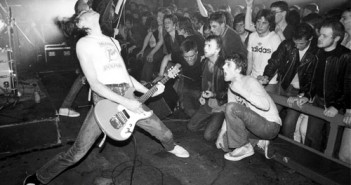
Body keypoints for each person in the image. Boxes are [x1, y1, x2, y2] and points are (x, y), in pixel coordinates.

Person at [23, 9, 189, 185]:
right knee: (77, 152)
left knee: (166, 133)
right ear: (81, 24)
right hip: (106, 98)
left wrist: (150, 91)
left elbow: (127, 77)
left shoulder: (114, 42)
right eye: (84, 12)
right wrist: (126, 102)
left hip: (128, 93)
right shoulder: (84, 43)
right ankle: (38, 177)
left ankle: (170, 147)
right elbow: (94, 84)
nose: (89, 8)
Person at [216, 53, 281, 161]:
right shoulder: (232, 87)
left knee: (232, 107)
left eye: (228, 64)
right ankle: (258, 141)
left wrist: (242, 91)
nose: (223, 67)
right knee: (224, 144)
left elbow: (265, 106)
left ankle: (245, 146)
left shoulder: (250, 81)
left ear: (238, 69)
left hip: (270, 126)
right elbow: (229, 114)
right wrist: (221, 134)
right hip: (253, 126)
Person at [258, 23, 318, 139]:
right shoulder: (287, 45)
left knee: (288, 125)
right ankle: (264, 143)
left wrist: (303, 95)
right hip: (283, 86)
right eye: (295, 42)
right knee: (268, 116)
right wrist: (266, 75)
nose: (297, 46)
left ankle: (288, 153)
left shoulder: (316, 53)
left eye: (301, 43)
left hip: (299, 92)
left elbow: (314, 78)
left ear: (310, 39)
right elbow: (274, 61)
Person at [303, 20, 351, 152]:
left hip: (337, 105)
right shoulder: (317, 52)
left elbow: (348, 85)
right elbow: (310, 76)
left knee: (332, 143)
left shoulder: (346, 56)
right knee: (312, 138)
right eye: (320, 34)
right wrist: (306, 95)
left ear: (336, 38)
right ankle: (308, 168)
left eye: (325, 36)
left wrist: (338, 106)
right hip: (318, 100)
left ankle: (325, 171)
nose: (320, 38)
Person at [187, 35, 227, 141]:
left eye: (209, 46)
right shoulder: (205, 62)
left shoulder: (224, 67)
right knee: (191, 127)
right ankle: (212, 123)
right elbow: (205, 84)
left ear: (218, 49)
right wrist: (202, 95)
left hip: (220, 106)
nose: (205, 48)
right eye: (205, 45)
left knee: (208, 136)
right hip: (208, 104)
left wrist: (214, 95)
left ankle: (221, 125)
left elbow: (230, 93)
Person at [159, 38, 203, 117]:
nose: (189, 59)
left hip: (203, 89)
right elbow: (166, 57)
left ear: (197, 52)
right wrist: (160, 74)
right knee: (191, 112)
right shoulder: (180, 56)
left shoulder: (203, 58)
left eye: (192, 56)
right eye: (186, 57)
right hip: (188, 89)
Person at [246, 9, 281, 93]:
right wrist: (246, 78)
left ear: (270, 25)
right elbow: (249, 61)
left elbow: (277, 64)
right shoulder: (252, 36)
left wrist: (266, 80)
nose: (260, 25)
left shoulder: (275, 39)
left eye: (264, 23)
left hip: (269, 82)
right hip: (253, 78)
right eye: (258, 22)